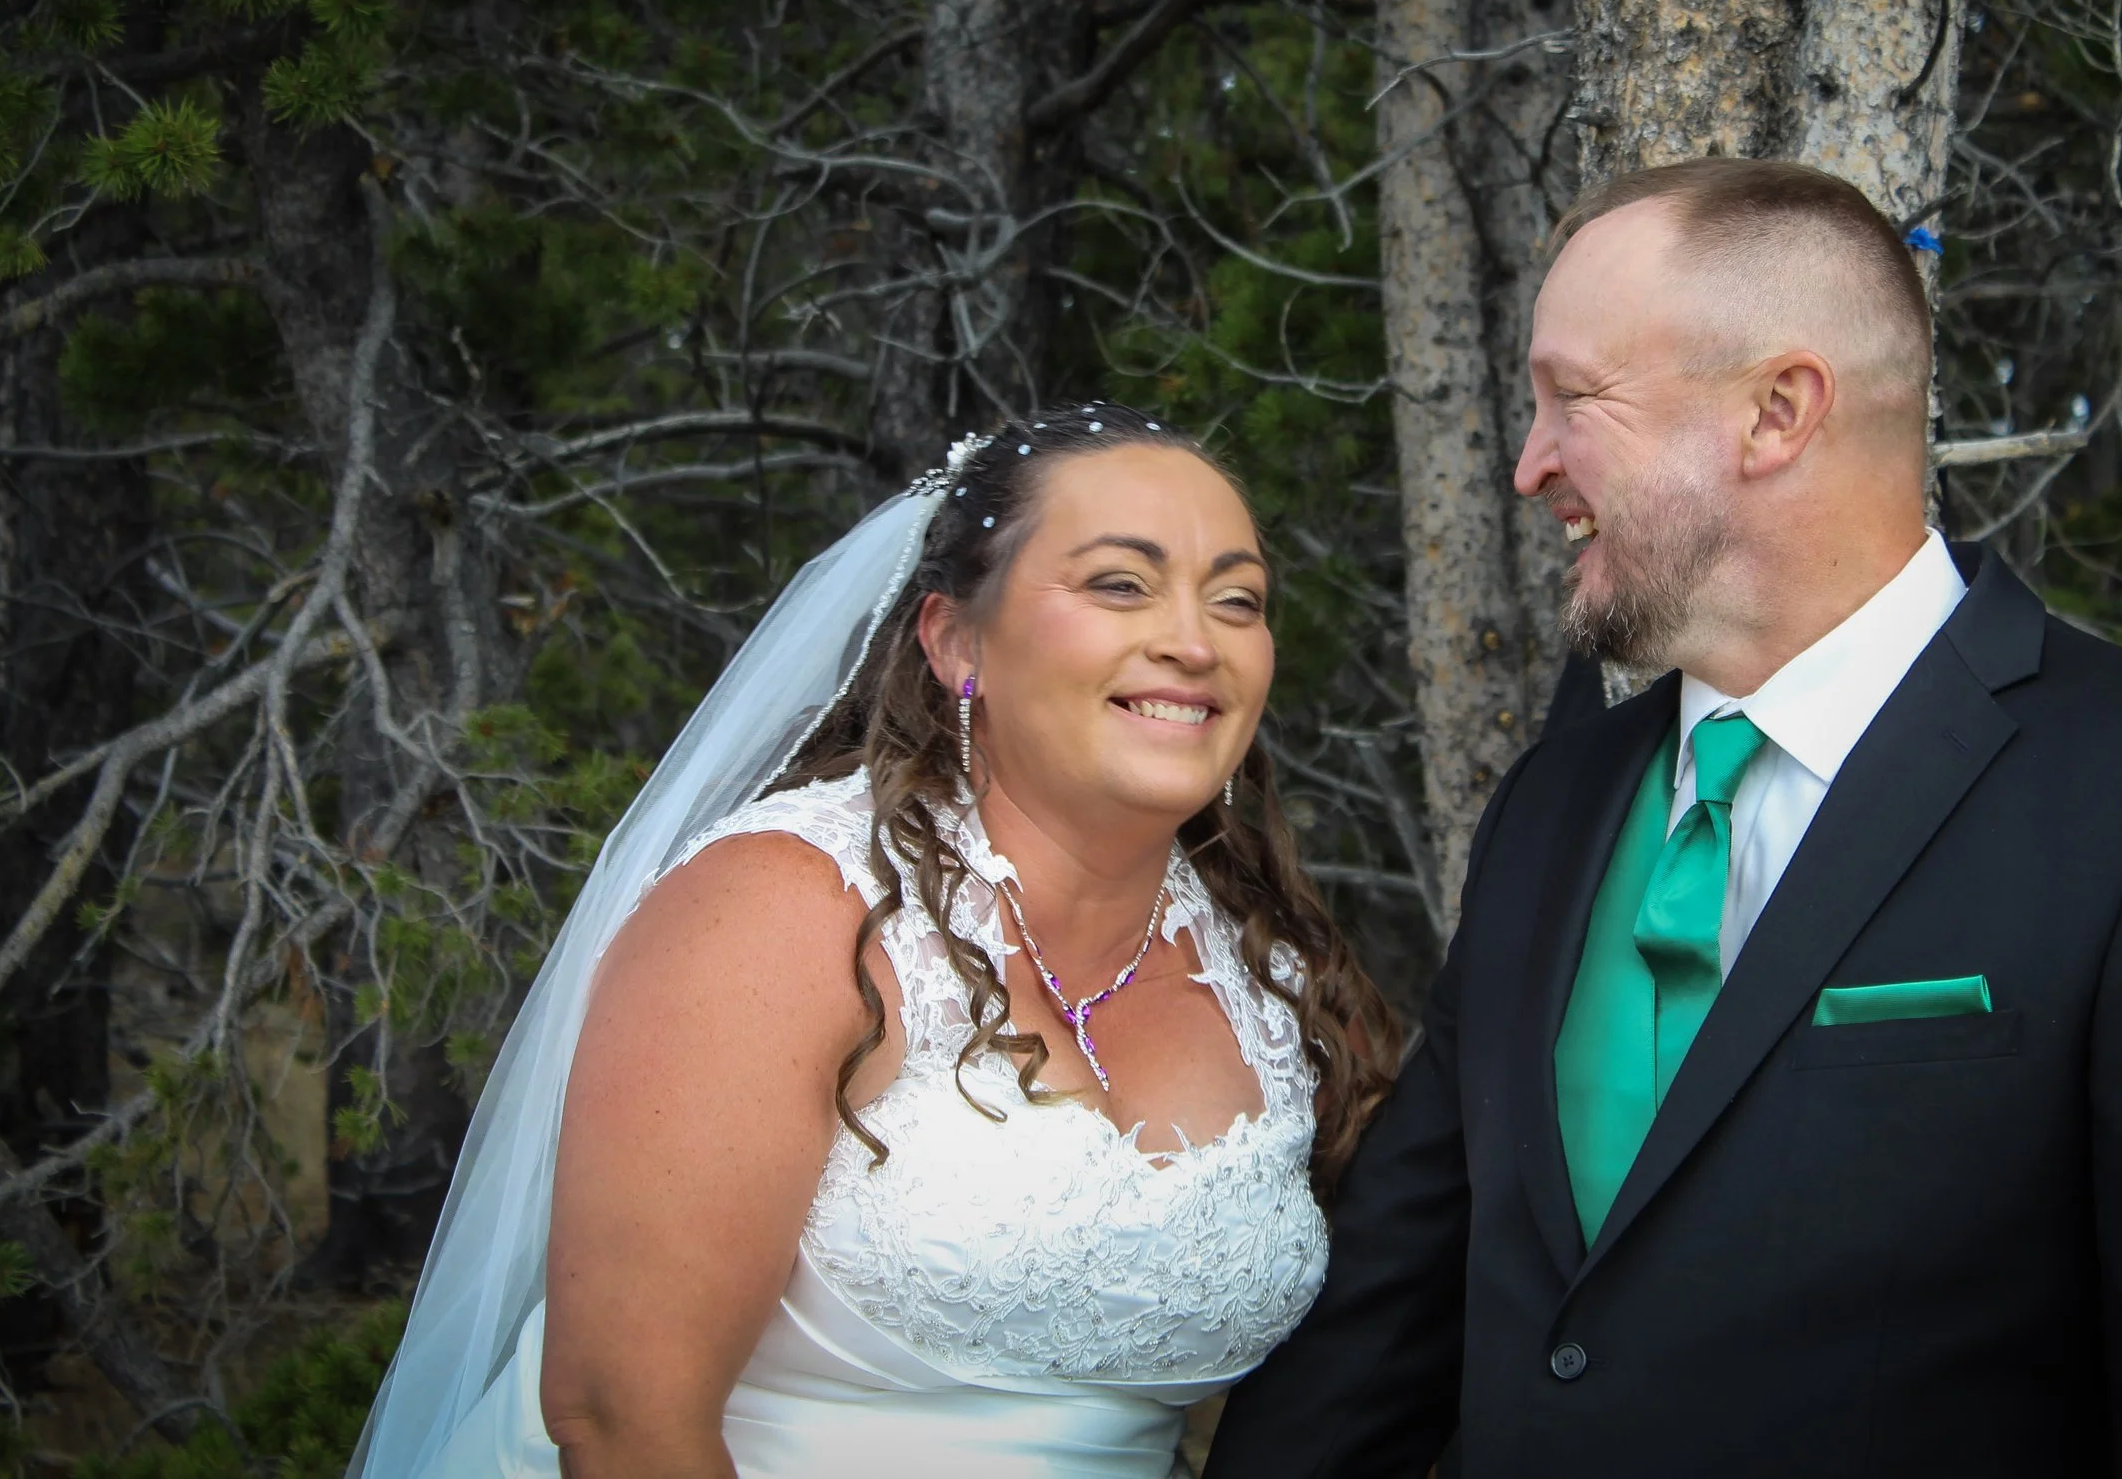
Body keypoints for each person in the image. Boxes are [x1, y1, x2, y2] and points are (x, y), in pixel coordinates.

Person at [1207, 158, 2122, 1477]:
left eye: (1572, 399)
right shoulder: (1558, 800)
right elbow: (1387, 1316)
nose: (1532, 461)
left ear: (1778, 409)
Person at [346, 404, 1396, 1479]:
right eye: (1119, 583)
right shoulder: (782, 909)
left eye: (1238, 598)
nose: (1194, 638)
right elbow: (620, 1415)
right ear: (953, 640)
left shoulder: (1273, 975)